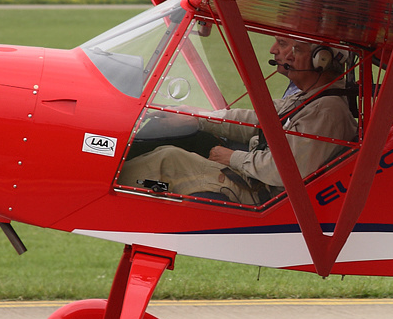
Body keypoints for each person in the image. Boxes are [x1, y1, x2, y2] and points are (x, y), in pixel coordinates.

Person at [119, 37, 357, 204]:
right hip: (257, 184)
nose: (274, 50)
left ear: (320, 59)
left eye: (284, 44)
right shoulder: (312, 98)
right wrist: (197, 119)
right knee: (193, 139)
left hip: (263, 196)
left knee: (169, 161)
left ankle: (111, 186)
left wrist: (232, 157)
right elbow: (257, 121)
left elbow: (287, 171)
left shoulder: (326, 110)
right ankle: (140, 187)